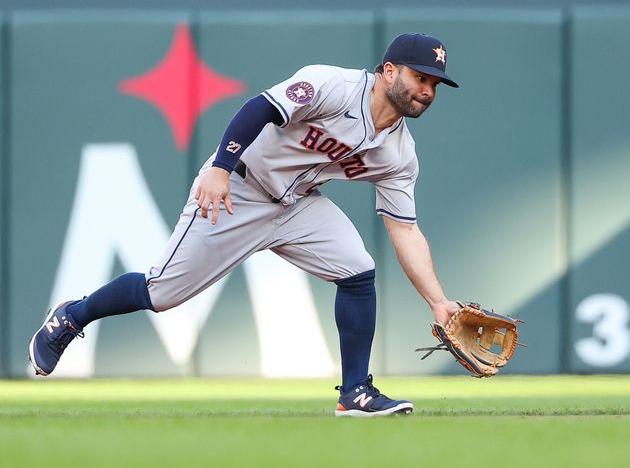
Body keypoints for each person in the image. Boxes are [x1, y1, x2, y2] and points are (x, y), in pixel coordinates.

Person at [29, 32, 462, 417]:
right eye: (419, 77)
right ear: (388, 71)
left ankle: (355, 393)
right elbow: (261, 108)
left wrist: (439, 303)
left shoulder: (399, 154)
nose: (427, 90)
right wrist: (221, 167)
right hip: (239, 187)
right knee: (160, 292)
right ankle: (70, 317)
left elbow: (405, 229)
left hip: (296, 205)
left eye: (435, 84)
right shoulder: (335, 85)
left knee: (357, 271)